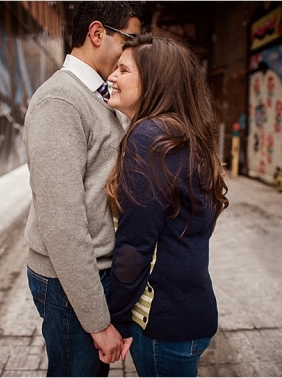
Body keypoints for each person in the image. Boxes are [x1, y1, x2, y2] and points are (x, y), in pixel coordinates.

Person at [23, 2, 141, 376]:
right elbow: (62, 222)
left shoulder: (95, 95)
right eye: (128, 39)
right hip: (68, 280)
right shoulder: (61, 100)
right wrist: (97, 321)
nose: (131, 50)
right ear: (97, 33)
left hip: (86, 274)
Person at [105, 34, 229, 376]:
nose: (112, 77)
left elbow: (135, 245)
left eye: (123, 70)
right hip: (189, 312)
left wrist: (114, 317)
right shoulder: (181, 133)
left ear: (153, 83)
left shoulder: (149, 139)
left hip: (164, 322)